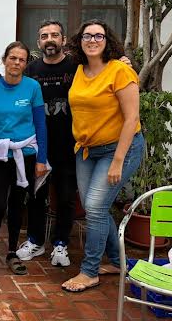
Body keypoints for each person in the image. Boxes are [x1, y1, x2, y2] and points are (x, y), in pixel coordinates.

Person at [61, 19, 144, 293]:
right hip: (86, 150)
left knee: (95, 208)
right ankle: (120, 262)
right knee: (95, 207)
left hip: (119, 149)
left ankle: (90, 271)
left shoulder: (120, 71)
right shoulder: (79, 70)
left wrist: (118, 161)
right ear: (80, 41)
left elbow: (132, 118)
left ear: (107, 40)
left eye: (98, 36)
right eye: (87, 36)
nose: (93, 40)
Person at [0, 41, 48, 279]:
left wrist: (41, 159)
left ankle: (12, 253)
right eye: (12, 58)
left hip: (26, 155)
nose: (16, 63)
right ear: (4, 59)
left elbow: (40, 125)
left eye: (22, 59)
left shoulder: (32, 87)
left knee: (18, 206)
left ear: (26, 64)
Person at [23, 20, 79, 268]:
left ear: (63, 40)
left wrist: (122, 62)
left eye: (55, 35)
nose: (50, 39)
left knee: (66, 197)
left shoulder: (77, 67)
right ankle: (35, 241)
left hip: (69, 145)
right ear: (38, 42)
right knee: (36, 196)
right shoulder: (31, 70)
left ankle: (61, 244)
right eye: (44, 35)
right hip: (38, 146)